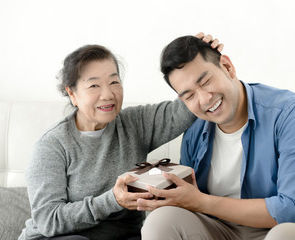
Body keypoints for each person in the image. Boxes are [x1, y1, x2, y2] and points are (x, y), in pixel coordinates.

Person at [18, 39, 222, 240]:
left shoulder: (135, 123)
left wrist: (203, 60)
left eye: (114, 82)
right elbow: (48, 220)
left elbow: (186, 107)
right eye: (94, 85)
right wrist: (112, 200)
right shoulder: (53, 145)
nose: (107, 94)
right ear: (72, 93)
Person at [138, 34, 295, 240]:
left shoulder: (293, 113)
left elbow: (291, 210)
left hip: (292, 229)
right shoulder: (195, 129)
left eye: (205, 81)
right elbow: (191, 197)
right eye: (189, 95)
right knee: (160, 221)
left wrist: (199, 201)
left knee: (284, 235)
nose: (204, 99)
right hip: (222, 230)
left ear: (227, 66)